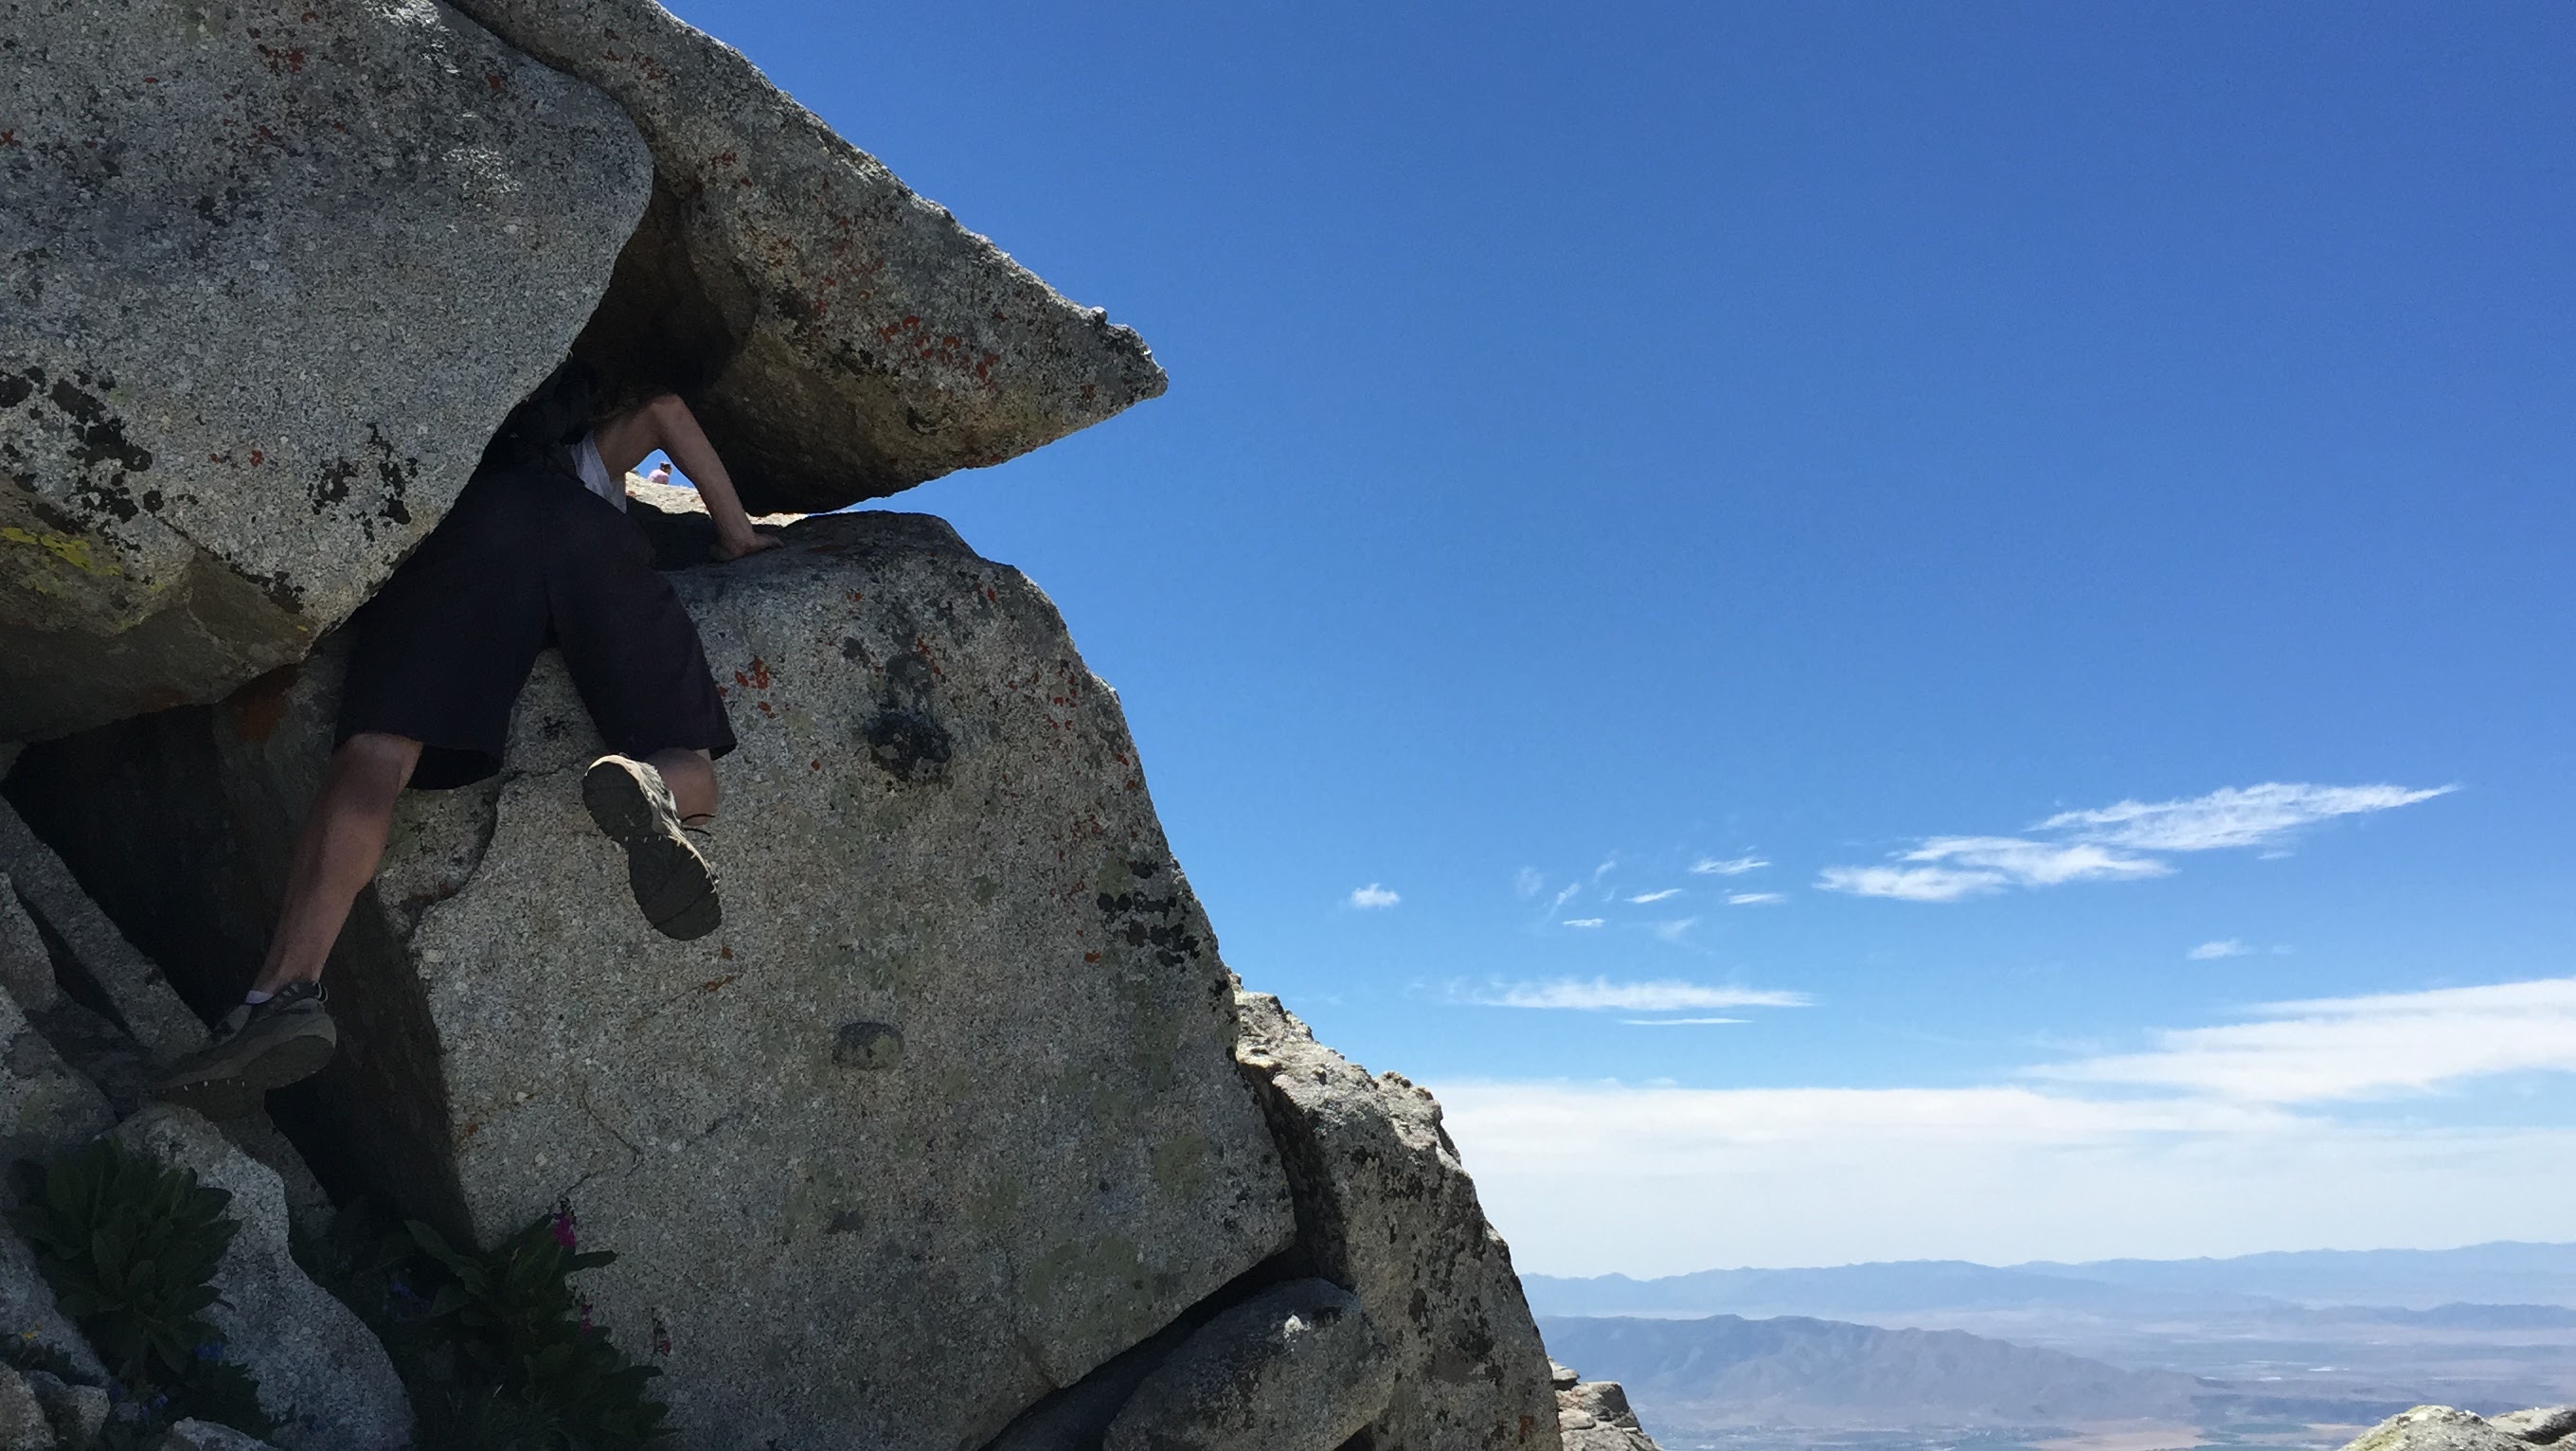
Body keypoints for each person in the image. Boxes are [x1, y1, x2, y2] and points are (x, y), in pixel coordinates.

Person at [152, 363, 778, 1116]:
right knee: (688, 755)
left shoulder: (460, 463)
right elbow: (666, 406)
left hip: (472, 531)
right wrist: (737, 535)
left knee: (380, 753)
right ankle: (656, 795)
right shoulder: (585, 458)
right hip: (593, 534)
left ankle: (281, 991)